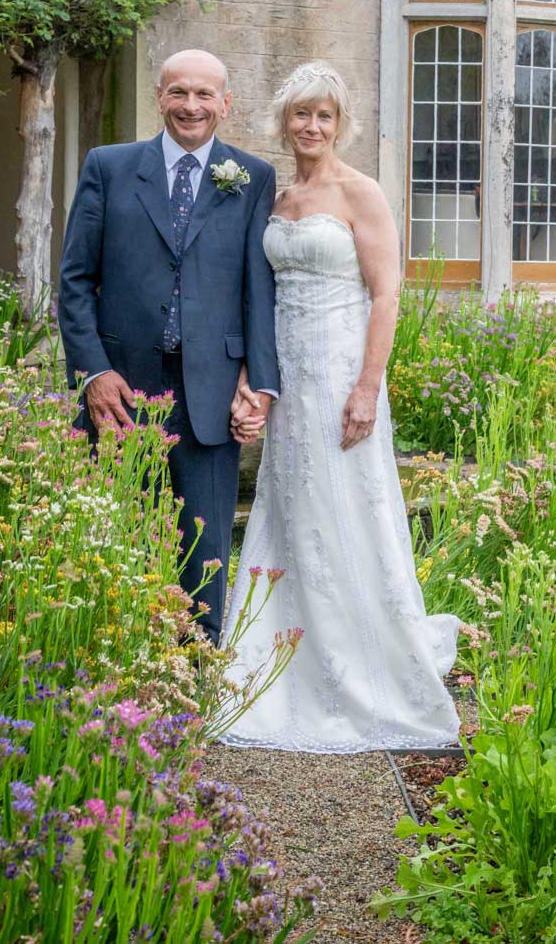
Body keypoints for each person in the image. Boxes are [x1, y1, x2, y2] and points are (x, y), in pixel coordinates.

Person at [219, 61, 461, 753]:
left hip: (341, 374)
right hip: (289, 379)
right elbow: (257, 295)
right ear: (284, 120)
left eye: (325, 115)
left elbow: (386, 294)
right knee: (293, 505)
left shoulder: (362, 193)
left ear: (341, 122)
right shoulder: (274, 195)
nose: (313, 126)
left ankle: (363, 659)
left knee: (348, 506)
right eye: (302, 114)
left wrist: (367, 386)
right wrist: (254, 379)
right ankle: (282, 642)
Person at [56, 49, 280, 642]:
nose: (191, 106)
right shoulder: (109, 166)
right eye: (179, 92)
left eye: (205, 95)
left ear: (226, 103)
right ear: (159, 97)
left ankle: (198, 666)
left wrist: (259, 384)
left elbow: (259, 292)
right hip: (120, 389)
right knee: (119, 532)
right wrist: (93, 373)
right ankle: (122, 655)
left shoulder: (252, 178)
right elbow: (75, 281)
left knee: (204, 543)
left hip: (210, 389)